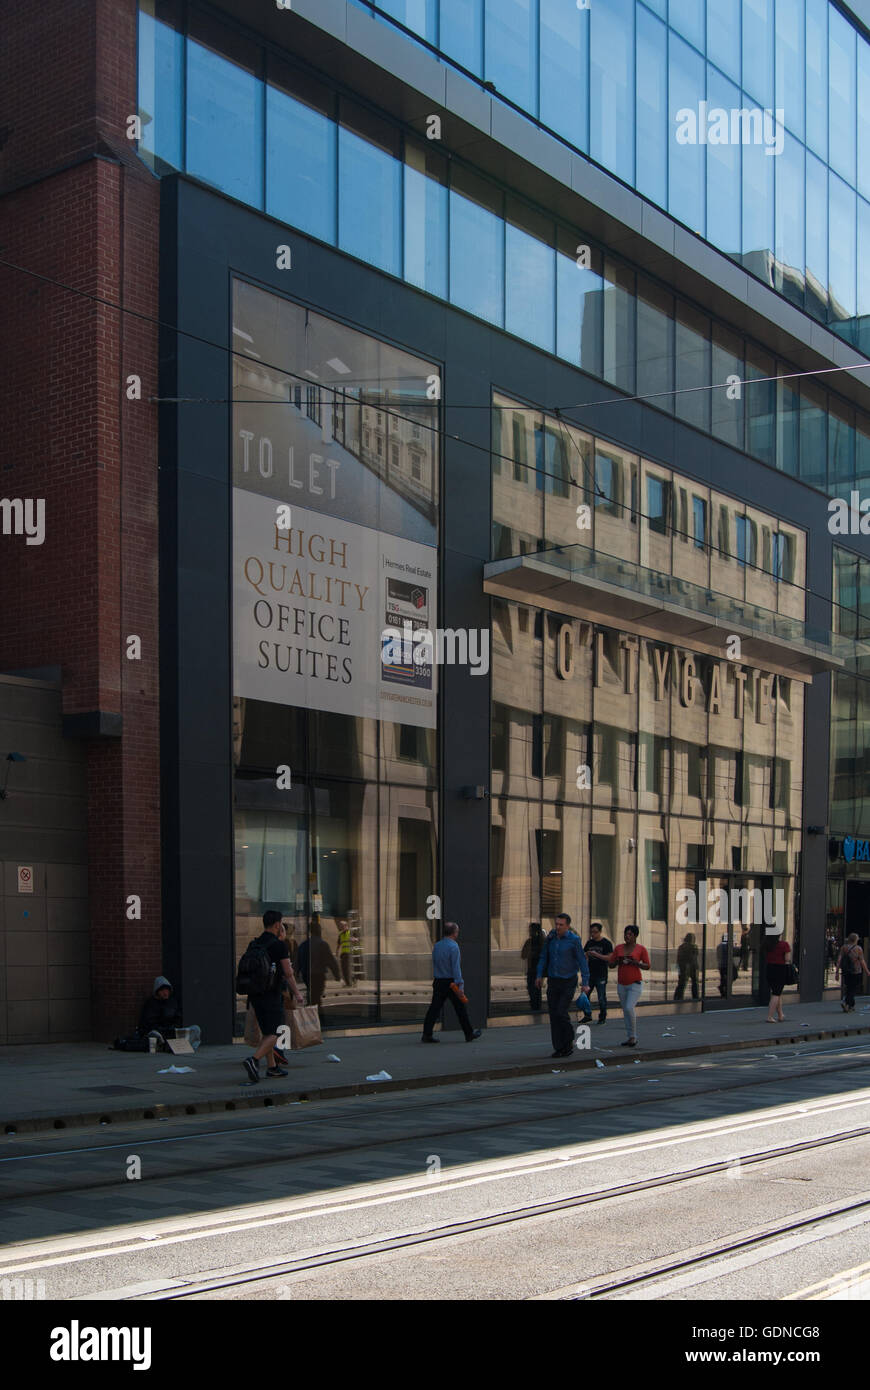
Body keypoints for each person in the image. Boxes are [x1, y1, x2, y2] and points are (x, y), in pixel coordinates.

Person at [242, 910, 304, 1083]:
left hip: (255, 994)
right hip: (271, 994)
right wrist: (297, 993)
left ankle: (272, 1068)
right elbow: (288, 973)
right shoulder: (278, 945)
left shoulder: (254, 944)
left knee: (267, 1032)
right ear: (277, 925)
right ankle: (253, 1060)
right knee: (276, 1031)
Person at [535, 912, 590, 1058]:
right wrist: (539, 975)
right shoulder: (551, 938)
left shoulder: (573, 940)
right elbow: (543, 957)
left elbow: (582, 961)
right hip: (554, 980)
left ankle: (569, 1037)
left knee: (561, 1012)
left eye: (561, 925)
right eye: (556, 924)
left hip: (568, 980)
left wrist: (585, 982)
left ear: (567, 926)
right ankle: (560, 1047)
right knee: (553, 1014)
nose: (557, 927)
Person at [421, 921, 481, 1043]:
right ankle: (469, 1033)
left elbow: (435, 963)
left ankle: (426, 1034)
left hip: (438, 981)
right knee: (460, 1009)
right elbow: (455, 967)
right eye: (457, 931)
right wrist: (460, 984)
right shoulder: (453, 946)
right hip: (451, 983)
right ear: (454, 933)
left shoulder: (437, 946)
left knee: (434, 1009)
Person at [597, 925, 650, 1048]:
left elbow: (647, 965)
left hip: (635, 983)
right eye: (626, 934)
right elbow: (611, 964)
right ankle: (630, 1037)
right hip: (622, 984)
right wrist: (617, 961)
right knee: (626, 1011)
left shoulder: (640, 949)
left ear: (635, 936)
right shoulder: (619, 948)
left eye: (630, 934)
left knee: (628, 1007)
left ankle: (633, 1036)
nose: (627, 936)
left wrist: (635, 963)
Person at [297, 922, 341, 1012]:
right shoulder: (322, 944)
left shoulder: (304, 945)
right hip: (318, 974)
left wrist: (296, 973)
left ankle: (312, 1012)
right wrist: (337, 975)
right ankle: (317, 1016)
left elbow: (298, 961)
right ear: (319, 931)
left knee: (313, 995)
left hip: (307, 974)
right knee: (316, 997)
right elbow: (331, 961)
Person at [137, 975, 182, 1047]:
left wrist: (174, 1027)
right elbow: (150, 1022)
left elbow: (178, 1017)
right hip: (158, 1030)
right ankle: (160, 1042)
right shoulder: (151, 1003)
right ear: (157, 991)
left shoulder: (172, 1002)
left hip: (171, 1031)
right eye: (162, 990)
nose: (165, 993)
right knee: (155, 1034)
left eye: (167, 990)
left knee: (195, 1029)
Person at [583, 922, 613, 1022]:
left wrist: (597, 955)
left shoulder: (606, 943)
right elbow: (584, 955)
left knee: (601, 997)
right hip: (590, 973)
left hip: (601, 974)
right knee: (585, 995)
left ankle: (602, 1016)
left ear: (600, 932)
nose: (593, 934)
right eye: (591, 932)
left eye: (595, 932)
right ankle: (587, 1014)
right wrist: (587, 955)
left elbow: (609, 958)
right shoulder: (589, 943)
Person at [836, 932, 870, 1012]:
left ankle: (850, 1005)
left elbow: (839, 960)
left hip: (846, 971)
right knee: (853, 989)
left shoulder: (844, 947)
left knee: (848, 987)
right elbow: (862, 961)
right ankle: (846, 1003)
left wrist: (837, 972)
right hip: (856, 971)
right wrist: (867, 971)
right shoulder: (858, 948)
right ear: (855, 940)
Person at [765, 934, 792, 1022]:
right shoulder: (784, 945)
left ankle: (780, 1014)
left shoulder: (767, 944)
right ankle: (770, 1016)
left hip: (769, 968)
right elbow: (787, 958)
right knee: (776, 993)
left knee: (777, 992)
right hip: (780, 969)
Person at [521, 923, 544, 1011]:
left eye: (531, 930)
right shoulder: (529, 942)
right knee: (531, 988)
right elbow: (523, 955)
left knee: (536, 989)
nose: (530, 932)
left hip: (538, 969)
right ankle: (534, 1005)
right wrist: (530, 954)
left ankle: (536, 1006)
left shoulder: (542, 942)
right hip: (531, 969)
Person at [674, 933, 700, 1001]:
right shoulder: (694, 946)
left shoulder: (681, 947)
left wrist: (677, 968)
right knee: (695, 983)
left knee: (682, 983)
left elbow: (678, 958)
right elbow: (695, 956)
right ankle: (695, 996)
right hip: (692, 967)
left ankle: (678, 997)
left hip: (683, 966)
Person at [336, 918, 353, 988]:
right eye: (341, 926)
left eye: (343, 926)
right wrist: (337, 952)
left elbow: (356, 938)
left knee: (346, 968)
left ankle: (349, 983)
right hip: (343, 953)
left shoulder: (350, 932)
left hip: (349, 953)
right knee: (343, 969)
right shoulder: (341, 935)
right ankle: (350, 981)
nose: (341, 927)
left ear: (346, 925)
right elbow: (339, 944)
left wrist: (354, 939)